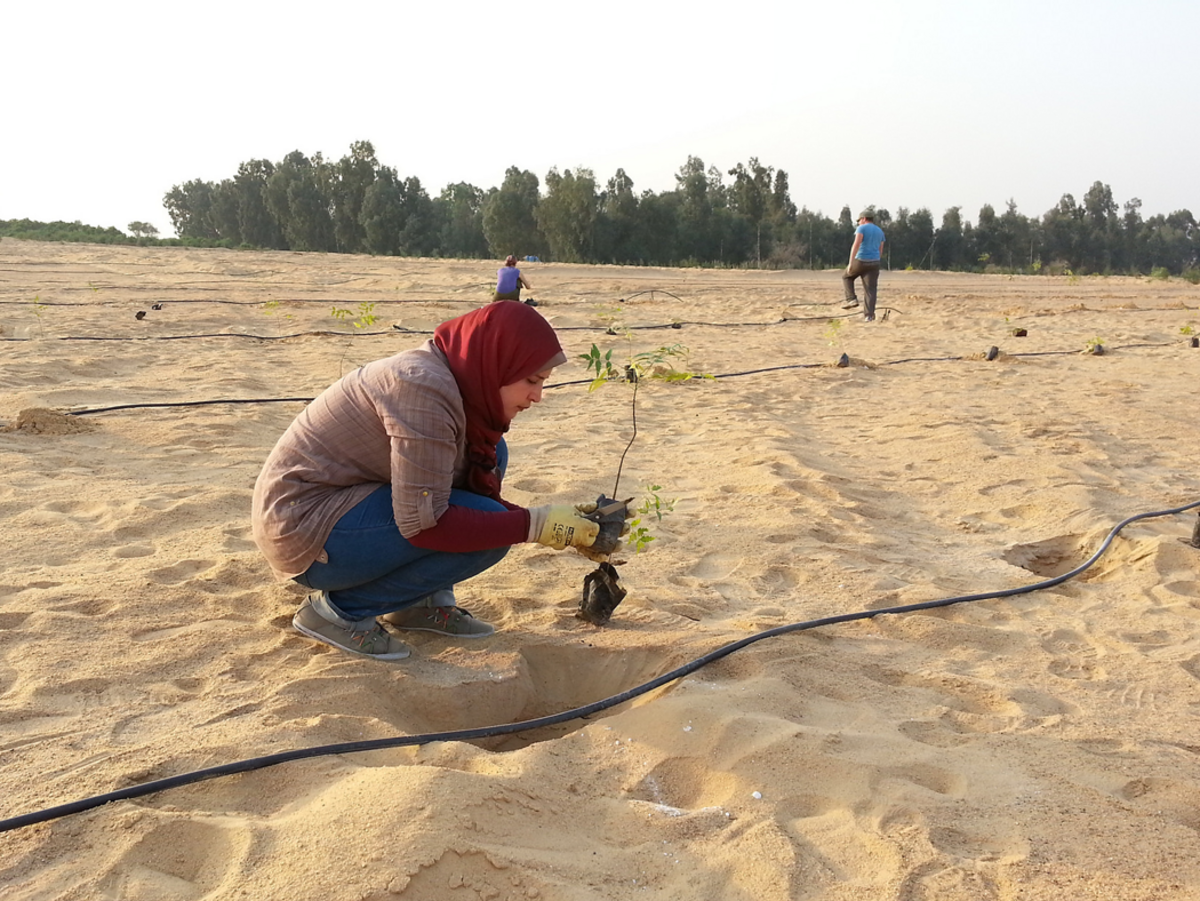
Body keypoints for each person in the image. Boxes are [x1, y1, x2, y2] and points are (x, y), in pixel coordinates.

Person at [251, 302, 607, 661]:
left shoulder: (454, 380)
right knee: (487, 538)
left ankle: (418, 604)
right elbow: (427, 526)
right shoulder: (422, 390)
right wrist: (536, 524)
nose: (537, 397)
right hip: (304, 531)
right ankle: (339, 612)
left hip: (346, 505)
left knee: (491, 457)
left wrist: (553, 521)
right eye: (531, 380)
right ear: (495, 362)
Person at [842, 210, 886, 322]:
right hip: (874, 262)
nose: (859, 223)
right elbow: (881, 249)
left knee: (847, 276)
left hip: (861, 259)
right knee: (870, 290)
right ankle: (869, 316)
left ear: (864, 219)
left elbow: (856, 245)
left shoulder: (861, 229)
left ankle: (851, 299)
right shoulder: (880, 231)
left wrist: (851, 263)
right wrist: (876, 261)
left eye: (859, 220)